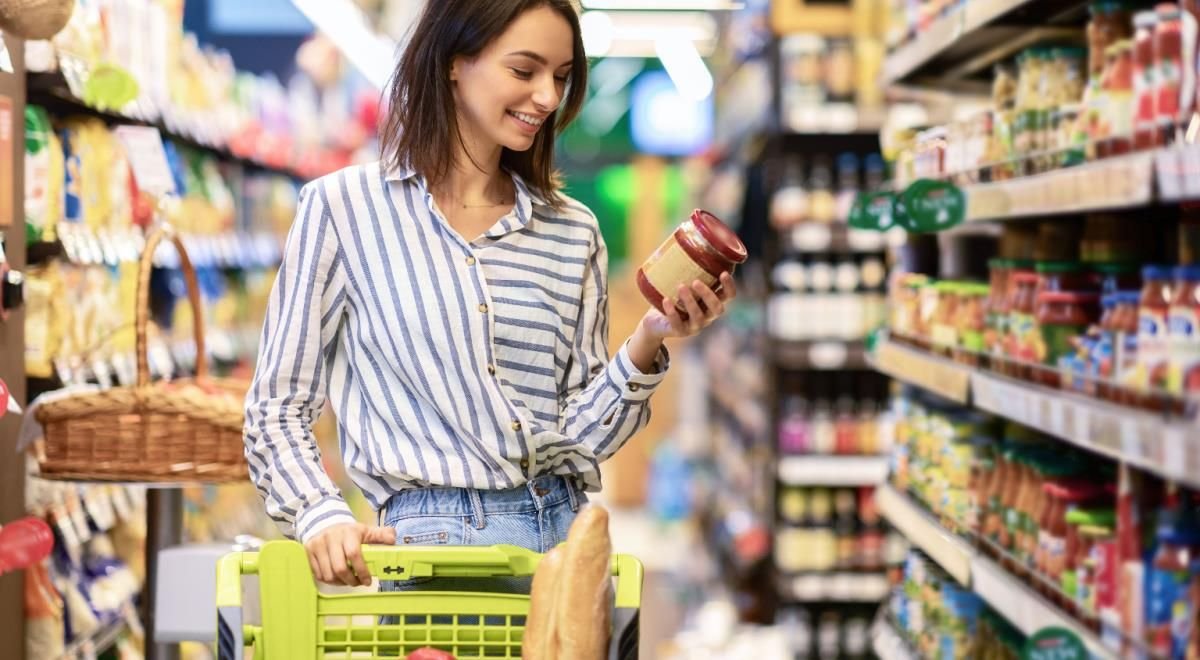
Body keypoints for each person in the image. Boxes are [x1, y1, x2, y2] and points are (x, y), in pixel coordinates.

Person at [243, 0, 737, 588]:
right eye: (524, 71)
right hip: (428, 558)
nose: (548, 98)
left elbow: (579, 437)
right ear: (456, 60)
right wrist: (319, 512)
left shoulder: (572, 232)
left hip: (559, 551)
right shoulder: (343, 210)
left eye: (560, 76)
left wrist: (649, 340)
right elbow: (276, 407)